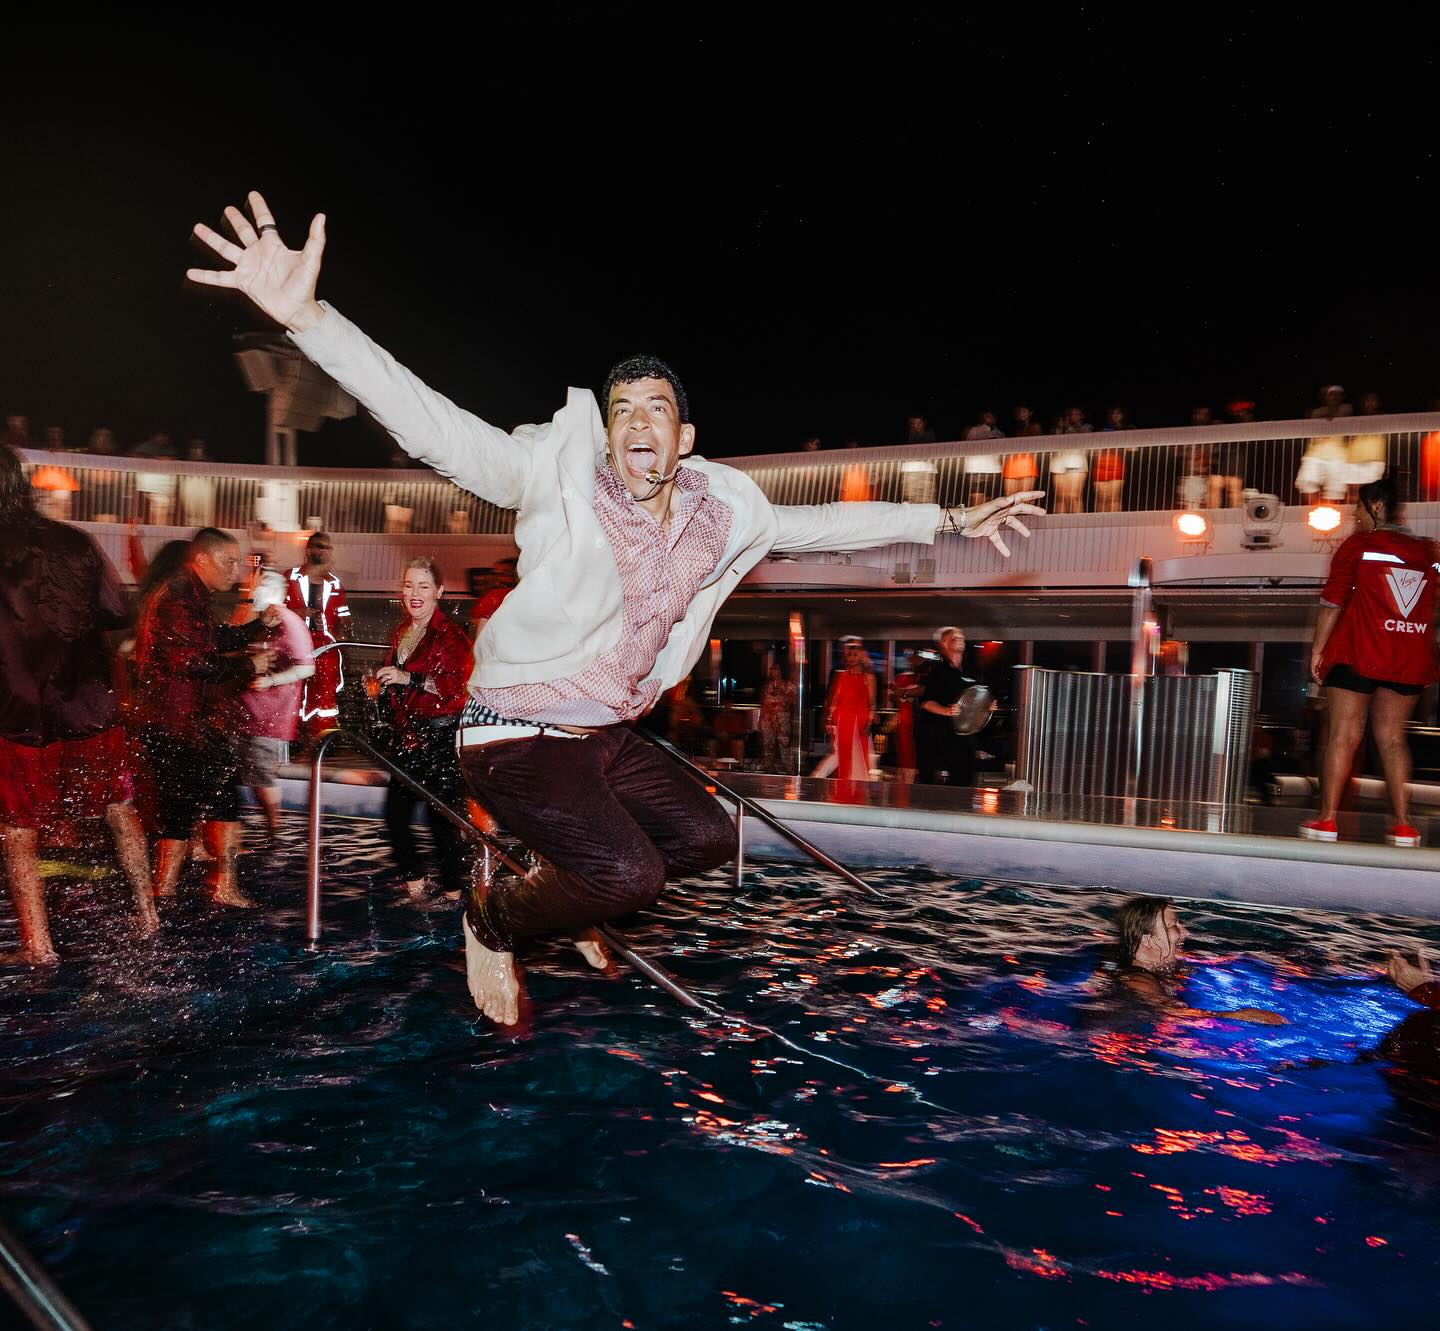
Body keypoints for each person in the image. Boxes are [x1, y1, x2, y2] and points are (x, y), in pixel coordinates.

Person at [186, 190, 1044, 1025]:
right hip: (512, 735)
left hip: (600, 735)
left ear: (684, 439)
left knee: (708, 838)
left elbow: (824, 524)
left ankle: (563, 888)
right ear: (607, 432)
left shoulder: (723, 509)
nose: (637, 420)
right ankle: (493, 917)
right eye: (621, 408)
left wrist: (949, 517)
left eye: (656, 408)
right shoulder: (556, 479)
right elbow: (432, 425)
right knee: (631, 876)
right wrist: (311, 321)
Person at [0, 445, 158, 963]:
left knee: (18, 828)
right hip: (89, 699)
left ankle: (37, 946)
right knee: (119, 806)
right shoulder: (75, 542)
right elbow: (117, 613)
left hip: (19, 706)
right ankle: (147, 915)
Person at [132, 527, 276, 906]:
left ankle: (170, 888)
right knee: (208, 800)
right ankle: (203, 887)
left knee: (190, 803)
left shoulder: (189, 595)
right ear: (202, 560)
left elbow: (212, 640)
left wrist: (259, 627)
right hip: (177, 721)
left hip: (183, 720)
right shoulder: (178, 599)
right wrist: (250, 664)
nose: (236, 570)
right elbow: (193, 661)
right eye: (228, 562)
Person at [1303, 475, 1438, 846]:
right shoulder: (1429, 552)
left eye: (1359, 508)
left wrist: (1318, 650)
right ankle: (1404, 825)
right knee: (1394, 739)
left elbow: (1332, 602)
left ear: (1377, 507)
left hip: (1357, 654)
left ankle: (1327, 820)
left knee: (1344, 736)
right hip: (1409, 657)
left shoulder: (1359, 545)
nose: (1355, 515)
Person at [374, 558, 472, 895]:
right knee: (395, 816)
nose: (414, 593)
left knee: (442, 821)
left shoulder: (451, 635)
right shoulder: (402, 631)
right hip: (409, 737)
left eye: (423, 586)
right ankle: (416, 891)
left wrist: (407, 677)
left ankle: (454, 895)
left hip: (442, 736)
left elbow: (457, 686)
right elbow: (399, 681)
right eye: (408, 585)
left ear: (439, 592)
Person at [1110, 896, 1285, 1024]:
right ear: (1148, 940)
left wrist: (1268, 959)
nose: (1186, 932)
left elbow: (1219, 960)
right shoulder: (1138, 982)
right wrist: (1240, 1016)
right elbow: (1172, 1014)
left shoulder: (1165, 966)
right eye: (1173, 925)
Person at [237, 570, 314, 839]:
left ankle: (276, 833)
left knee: (262, 776)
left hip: (269, 718)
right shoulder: (258, 620)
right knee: (250, 777)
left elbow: (307, 668)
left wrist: (272, 681)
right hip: (247, 714)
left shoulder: (289, 622)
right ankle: (265, 831)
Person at [286, 531, 350, 734]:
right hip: (294, 642)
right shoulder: (289, 578)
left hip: (324, 644)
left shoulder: (335, 584)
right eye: (318, 546)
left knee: (325, 689)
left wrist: (342, 632)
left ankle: (323, 735)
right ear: (308, 549)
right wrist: (297, 613)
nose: (322, 551)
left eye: (326, 547)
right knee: (293, 688)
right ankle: (292, 733)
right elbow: (272, 612)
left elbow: (343, 617)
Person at [915, 627, 976, 786]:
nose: (960, 639)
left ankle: (959, 807)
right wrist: (947, 711)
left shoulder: (970, 669)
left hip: (960, 732)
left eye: (962, 636)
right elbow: (927, 703)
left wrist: (988, 705)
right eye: (955, 637)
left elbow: (976, 695)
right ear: (945, 643)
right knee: (930, 779)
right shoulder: (938, 671)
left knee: (964, 775)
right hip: (936, 732)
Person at [822, 637, 875, 782]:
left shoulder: (868, 677)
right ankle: (836, 780)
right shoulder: (842, 676)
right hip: (843, 718)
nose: (851, 658)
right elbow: (835, 700)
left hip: (860, 719)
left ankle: (857, 785)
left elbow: (872, 702)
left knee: (859, 754)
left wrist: (869, 723)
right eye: (849, 655)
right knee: (841, 753)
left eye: (855, 655)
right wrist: (829, 720)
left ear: (861, 657)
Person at [758, 663, 798, 772]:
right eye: (772, 669)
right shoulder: (768, 685)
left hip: (782, 718)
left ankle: (791, 770)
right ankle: (769, 769)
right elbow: (764, 702)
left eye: (775, 669)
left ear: (781, 670)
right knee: (767, 744)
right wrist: (761, 718)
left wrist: (782, 693)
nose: (773, 671)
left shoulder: (788, 685)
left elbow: (794, 700)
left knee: (784, 743)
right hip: (768, 718)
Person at [467, 557, 517, 641]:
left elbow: (475, 634)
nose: (498, 579)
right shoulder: (490, 597)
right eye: (495, 574)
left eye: (504, 574)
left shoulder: (493, 597)